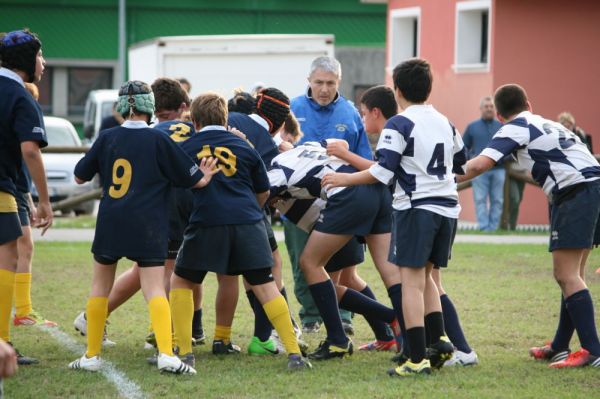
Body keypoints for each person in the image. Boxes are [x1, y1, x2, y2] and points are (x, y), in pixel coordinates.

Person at [322, 59, 464, 377]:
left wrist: (343, 179)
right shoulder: (445, 121)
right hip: (447, 209)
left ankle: (416, 357)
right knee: (427, 277)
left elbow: (382, 172)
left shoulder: (398, 125)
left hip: (417, 209)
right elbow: (461, 163)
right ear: (429, 88)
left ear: (397, 90)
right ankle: (439, 341)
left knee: (411, 283)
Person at [68, 80, 219, 374]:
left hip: (111, 220)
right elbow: (195, 180)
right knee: (154, 289)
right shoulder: (159, 140)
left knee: (100, 287)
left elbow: (78, 177)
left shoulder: (107, 137)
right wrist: (206, 174)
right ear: (149, 106)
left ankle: (91, 355)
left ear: (122, 107)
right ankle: (166, 353)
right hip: (148, 224)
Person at [459, 83, 600, 369]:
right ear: (529, 104)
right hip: (592, 187)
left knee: (566, 275)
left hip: (575, 193)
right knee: (574, 275)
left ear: (499, 116)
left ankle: (592, 350)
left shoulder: (513, 127)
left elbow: (477, 166)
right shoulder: (547, 122)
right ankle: (560, 346)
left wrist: (437, 179)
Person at [170, 92, 311, 371]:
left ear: (194, 121)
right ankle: (295, 354)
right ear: (225, 118)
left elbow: (178, 190)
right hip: (249, 222)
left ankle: (184, 352)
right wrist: (250, 214)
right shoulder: (244, 146)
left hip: (206, 221)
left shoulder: (186, 147)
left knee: (182, 282)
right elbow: (263, 191)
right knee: (265, 285)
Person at [269, 139, 402, 360]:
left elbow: (259, 193)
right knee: (344, 282)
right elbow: (338, 142)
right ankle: (389, 332)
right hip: (370, 193)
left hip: (345, 201)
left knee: (311, 266)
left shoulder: (275, 171)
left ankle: (340, 339)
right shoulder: (302, 149)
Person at [288, 55, 372, 334]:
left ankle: (344, 315)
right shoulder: (293, 108)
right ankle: (311, 316)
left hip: (341, 198)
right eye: (319, 82)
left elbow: (363, 157)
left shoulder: (350, 112)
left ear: (339, 82)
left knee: (342, 261)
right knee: (303, 260)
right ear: (308, 81)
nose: (324, 89)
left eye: (330, 83)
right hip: (300, 198)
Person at [0, 29, 53, 366]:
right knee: (8, 256)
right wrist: (45, 201)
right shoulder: (19, 96)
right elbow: (30, 151)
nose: (44, 64)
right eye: (40, 56)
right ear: (25, 62)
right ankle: (2, 343)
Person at [11, 83, 56, 328]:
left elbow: (22, 173)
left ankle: (23, 310)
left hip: (18, 192)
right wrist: (42, 201)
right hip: (11, 192)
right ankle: (23, 310)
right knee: (22, 247)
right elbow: (27, 158)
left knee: (21, 248)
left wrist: (29, 200)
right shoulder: (20, 118)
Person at [462, 97, 504, 231]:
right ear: (481, 109)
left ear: (495, 109)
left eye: (491, 106)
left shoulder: (501, 127)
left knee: (497, 200)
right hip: (478, 171)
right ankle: (484, 228)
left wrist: (504, 158)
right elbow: (463, 148)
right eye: (486, 106)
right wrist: (471, 158)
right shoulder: (472, 127)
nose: (489, 109)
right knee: (480, 200)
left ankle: (493, 228)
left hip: (499, 169)